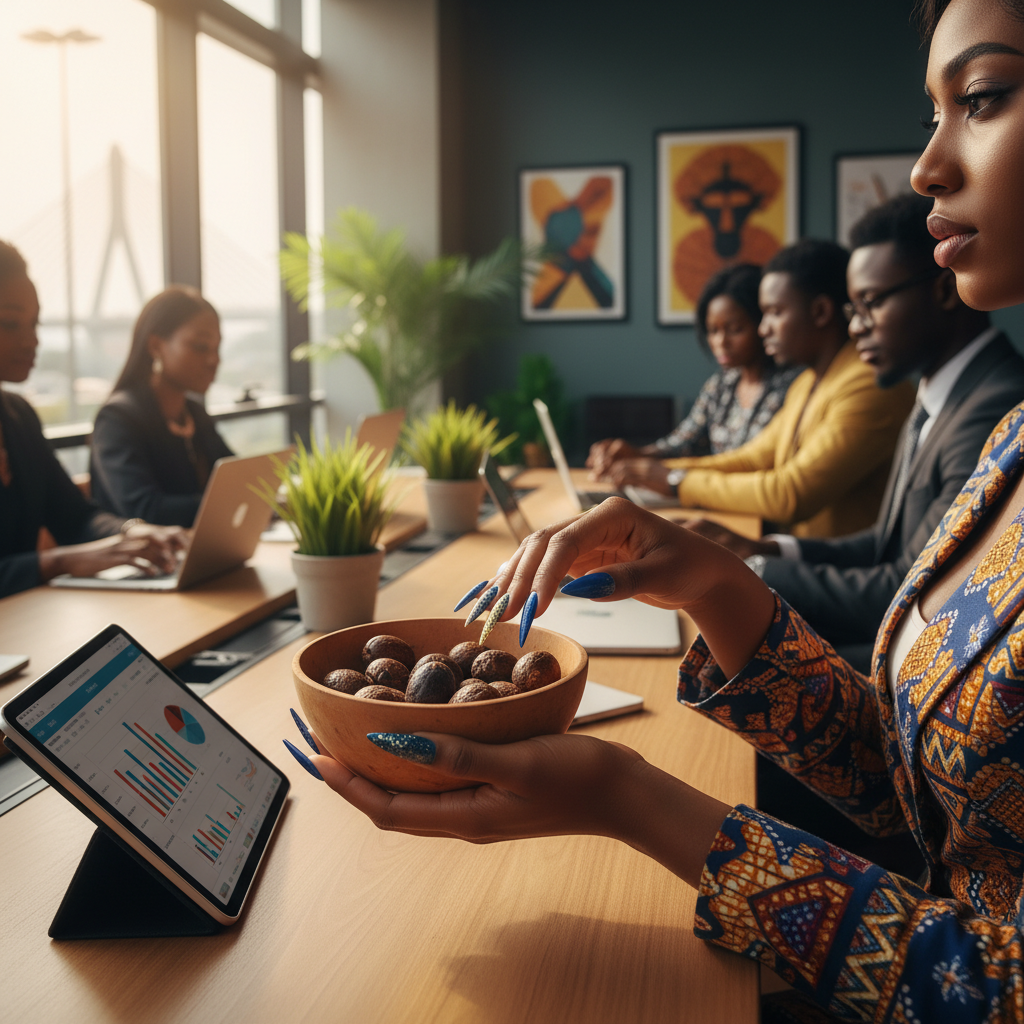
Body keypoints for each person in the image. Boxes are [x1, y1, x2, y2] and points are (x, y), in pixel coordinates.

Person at [282, 2, 1024, 1019]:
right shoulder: (1013, 441)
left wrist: (624, 797)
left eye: (981, 98)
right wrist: (714, 581)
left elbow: (996, 989)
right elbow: (921, 801)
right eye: (934, 108)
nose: (925, 165)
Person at [688, 193, 1024, 673]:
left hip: (919, 663)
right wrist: (765, 549)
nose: (857, 327)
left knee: (726, 669)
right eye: (853, 309)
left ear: (945, 291)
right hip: (888, 631)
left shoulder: (994, 404)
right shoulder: (938, 393)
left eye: (871, 303)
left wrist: (748, 571)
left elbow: (909, 587)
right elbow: (885, 545)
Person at [597, 240, 916, 539]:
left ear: (820, 312)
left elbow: (791, 494)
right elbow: (752, 459)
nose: (764, 329)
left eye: (775, 313)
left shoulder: (868, 384)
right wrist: (653, 471)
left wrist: (672, 480)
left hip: (832, 574)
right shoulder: (809, 382)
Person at [0, 242, 185, 599]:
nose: (32, 339)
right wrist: (56, 562)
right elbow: (65, 552)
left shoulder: (18, 417)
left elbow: (76, 517)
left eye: (35, 322)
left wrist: (133, 531)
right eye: (10, 323)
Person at [587, 264, 799, 475]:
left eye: (735, 329)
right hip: (713, 500)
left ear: (761, 322)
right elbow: (681, 444)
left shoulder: (793, 388)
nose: (721, 342)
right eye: (713, 330)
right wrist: (636, 454)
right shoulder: (721, 385)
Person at [89, 286, 233, 527]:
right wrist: (227, 502)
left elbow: (237, 477)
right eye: (200, 347)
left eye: (217, 348)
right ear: (156, 346)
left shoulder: (194, 413)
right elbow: (145, 510)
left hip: (197, 552)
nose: (214, 360)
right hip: (143, 561)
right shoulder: (117, 419)